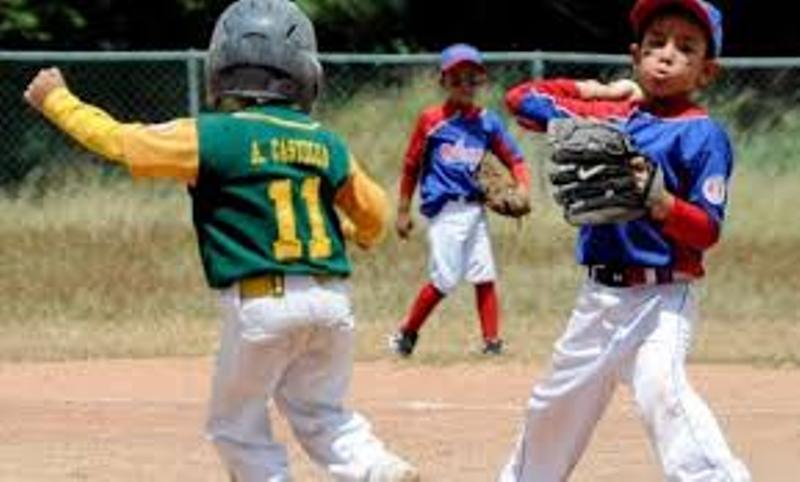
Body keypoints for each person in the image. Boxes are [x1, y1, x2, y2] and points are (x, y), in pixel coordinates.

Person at [22, 1, 420, 481]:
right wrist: (356, 233)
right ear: (304, 72)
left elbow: (121, 143)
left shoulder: (213, 137)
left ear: (222, 67)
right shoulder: (325, 142)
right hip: (331, 301)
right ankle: (377, 469)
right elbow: (373, 214)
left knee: (236, 428)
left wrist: (57, 100)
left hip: (262, 304)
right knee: (322, 412)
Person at [499, 0, 751, 480]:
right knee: (553, 406)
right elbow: (521, 98)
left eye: (686, 47)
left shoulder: (702, 135)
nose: (666, 55)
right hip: (598, 299)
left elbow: (708, 230)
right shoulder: (612, 116)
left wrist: (664, 205)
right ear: (635, 56)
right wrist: (599, 89)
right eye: (655, 43)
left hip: (661, 297)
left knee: (664, 393)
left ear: (707, 70)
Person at [389, 43, 531, 357]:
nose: (465, 85)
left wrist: (522, 188)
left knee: (484, 274)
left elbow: (515, 159)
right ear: (444, 82)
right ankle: (406, 333)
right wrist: (402, 211)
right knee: (445, 279)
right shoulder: (431, 121)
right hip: (445, 212)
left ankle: (492, 342)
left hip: (476, 208)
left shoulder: (487, 122)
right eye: (456, 79)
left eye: (472, 78)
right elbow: (411, 166)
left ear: (480, 81)